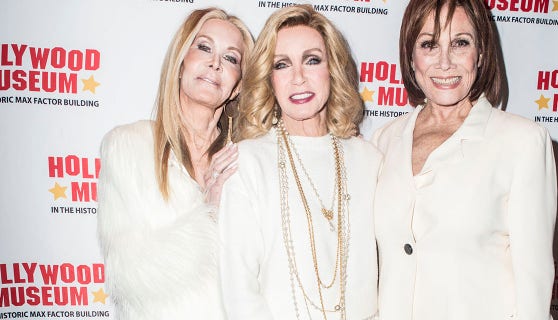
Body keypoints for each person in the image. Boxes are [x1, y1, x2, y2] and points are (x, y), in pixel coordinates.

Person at [372, 0, 557, 319]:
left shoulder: (522, 142)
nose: (445, 62)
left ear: (481, 54)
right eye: (429, 44)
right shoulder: (382, 141)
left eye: (460, 43)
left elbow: (534, 285)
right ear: (410, 56)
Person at [218, 4, 380, 320]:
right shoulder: (249, 163)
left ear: (333, 68)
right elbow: (239, 294)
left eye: (312, 60)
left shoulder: (370, 161)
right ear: (269, 78)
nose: (298, 78)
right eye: (282, 64)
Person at [97, 7, 253, 320]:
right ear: (181, 62)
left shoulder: (249, 158)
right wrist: (209, 213)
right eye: (204, 47)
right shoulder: (128, 148)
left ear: (237, 85)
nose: (215, 63)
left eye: (231, 58)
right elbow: (128, 274)